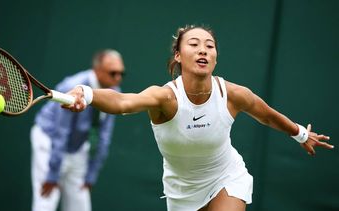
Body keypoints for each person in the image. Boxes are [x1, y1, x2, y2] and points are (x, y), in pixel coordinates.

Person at [64, 25, 333, 211]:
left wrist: (300, 133)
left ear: (215, 57)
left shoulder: (234, 94)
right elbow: (123, 102)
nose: (203, 50)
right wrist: (86, 94)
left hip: (226, 177)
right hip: (181, 191)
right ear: (179, 56)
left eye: (210, 46)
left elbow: (267, 116)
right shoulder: (165, 98)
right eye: (194, 44)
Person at [30, 49, 125, 211]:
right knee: (46, 200)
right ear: (97, 70)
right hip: (49, 141)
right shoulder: (71, 86)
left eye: (121, 74)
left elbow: (104, 136)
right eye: (113, 73)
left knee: (80, 205)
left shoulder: (114, 93)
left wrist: (91, 173)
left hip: (77, 146)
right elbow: (61, 132)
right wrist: (53, 173)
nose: (118, 78)